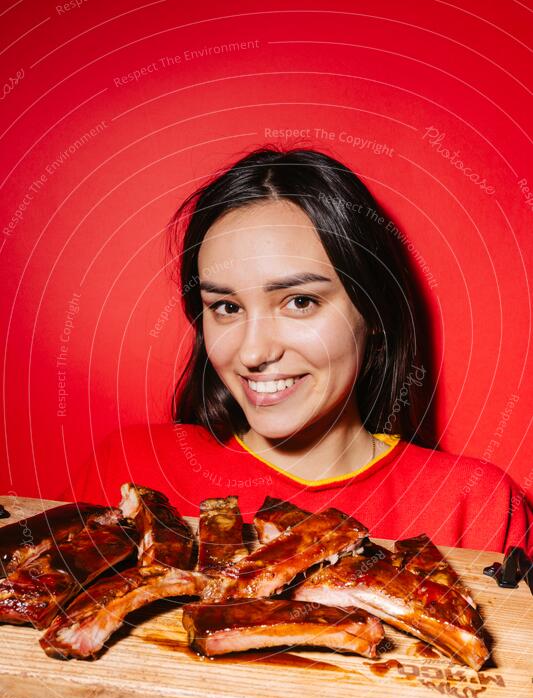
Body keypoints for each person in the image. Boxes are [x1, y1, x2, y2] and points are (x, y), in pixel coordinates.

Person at [67, 146, 531, 557]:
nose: (252, 352)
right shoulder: (130, 468)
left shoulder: (475, 505)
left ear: (373, 312)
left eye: (300, 302)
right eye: (226, 307)